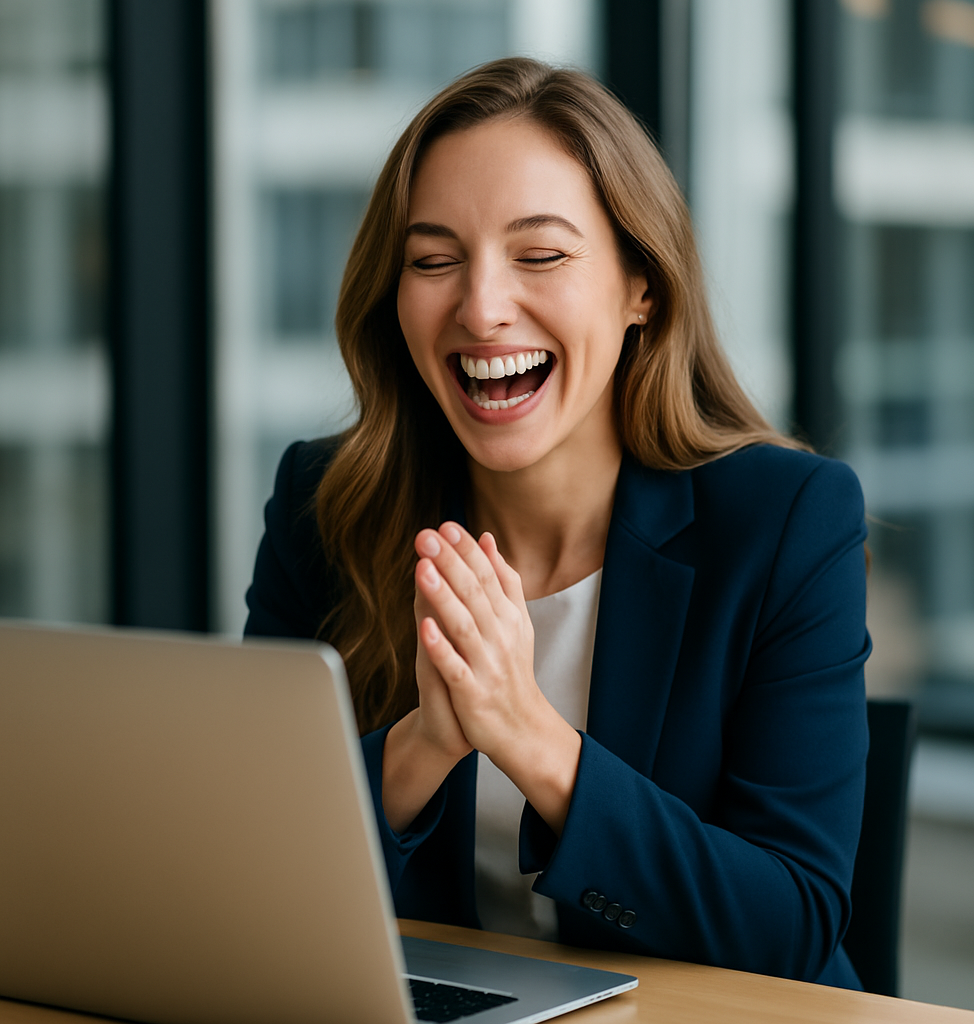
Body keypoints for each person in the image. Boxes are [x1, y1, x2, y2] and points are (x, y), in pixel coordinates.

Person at [245, 57, 870, 989]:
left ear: (639, 288)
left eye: (540, 255)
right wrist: (423, 748)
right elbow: (248, 877)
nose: (483, 308)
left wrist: (529, 736)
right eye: (432, 261)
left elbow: (790, 924)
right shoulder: (323, 504)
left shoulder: (786, 522)